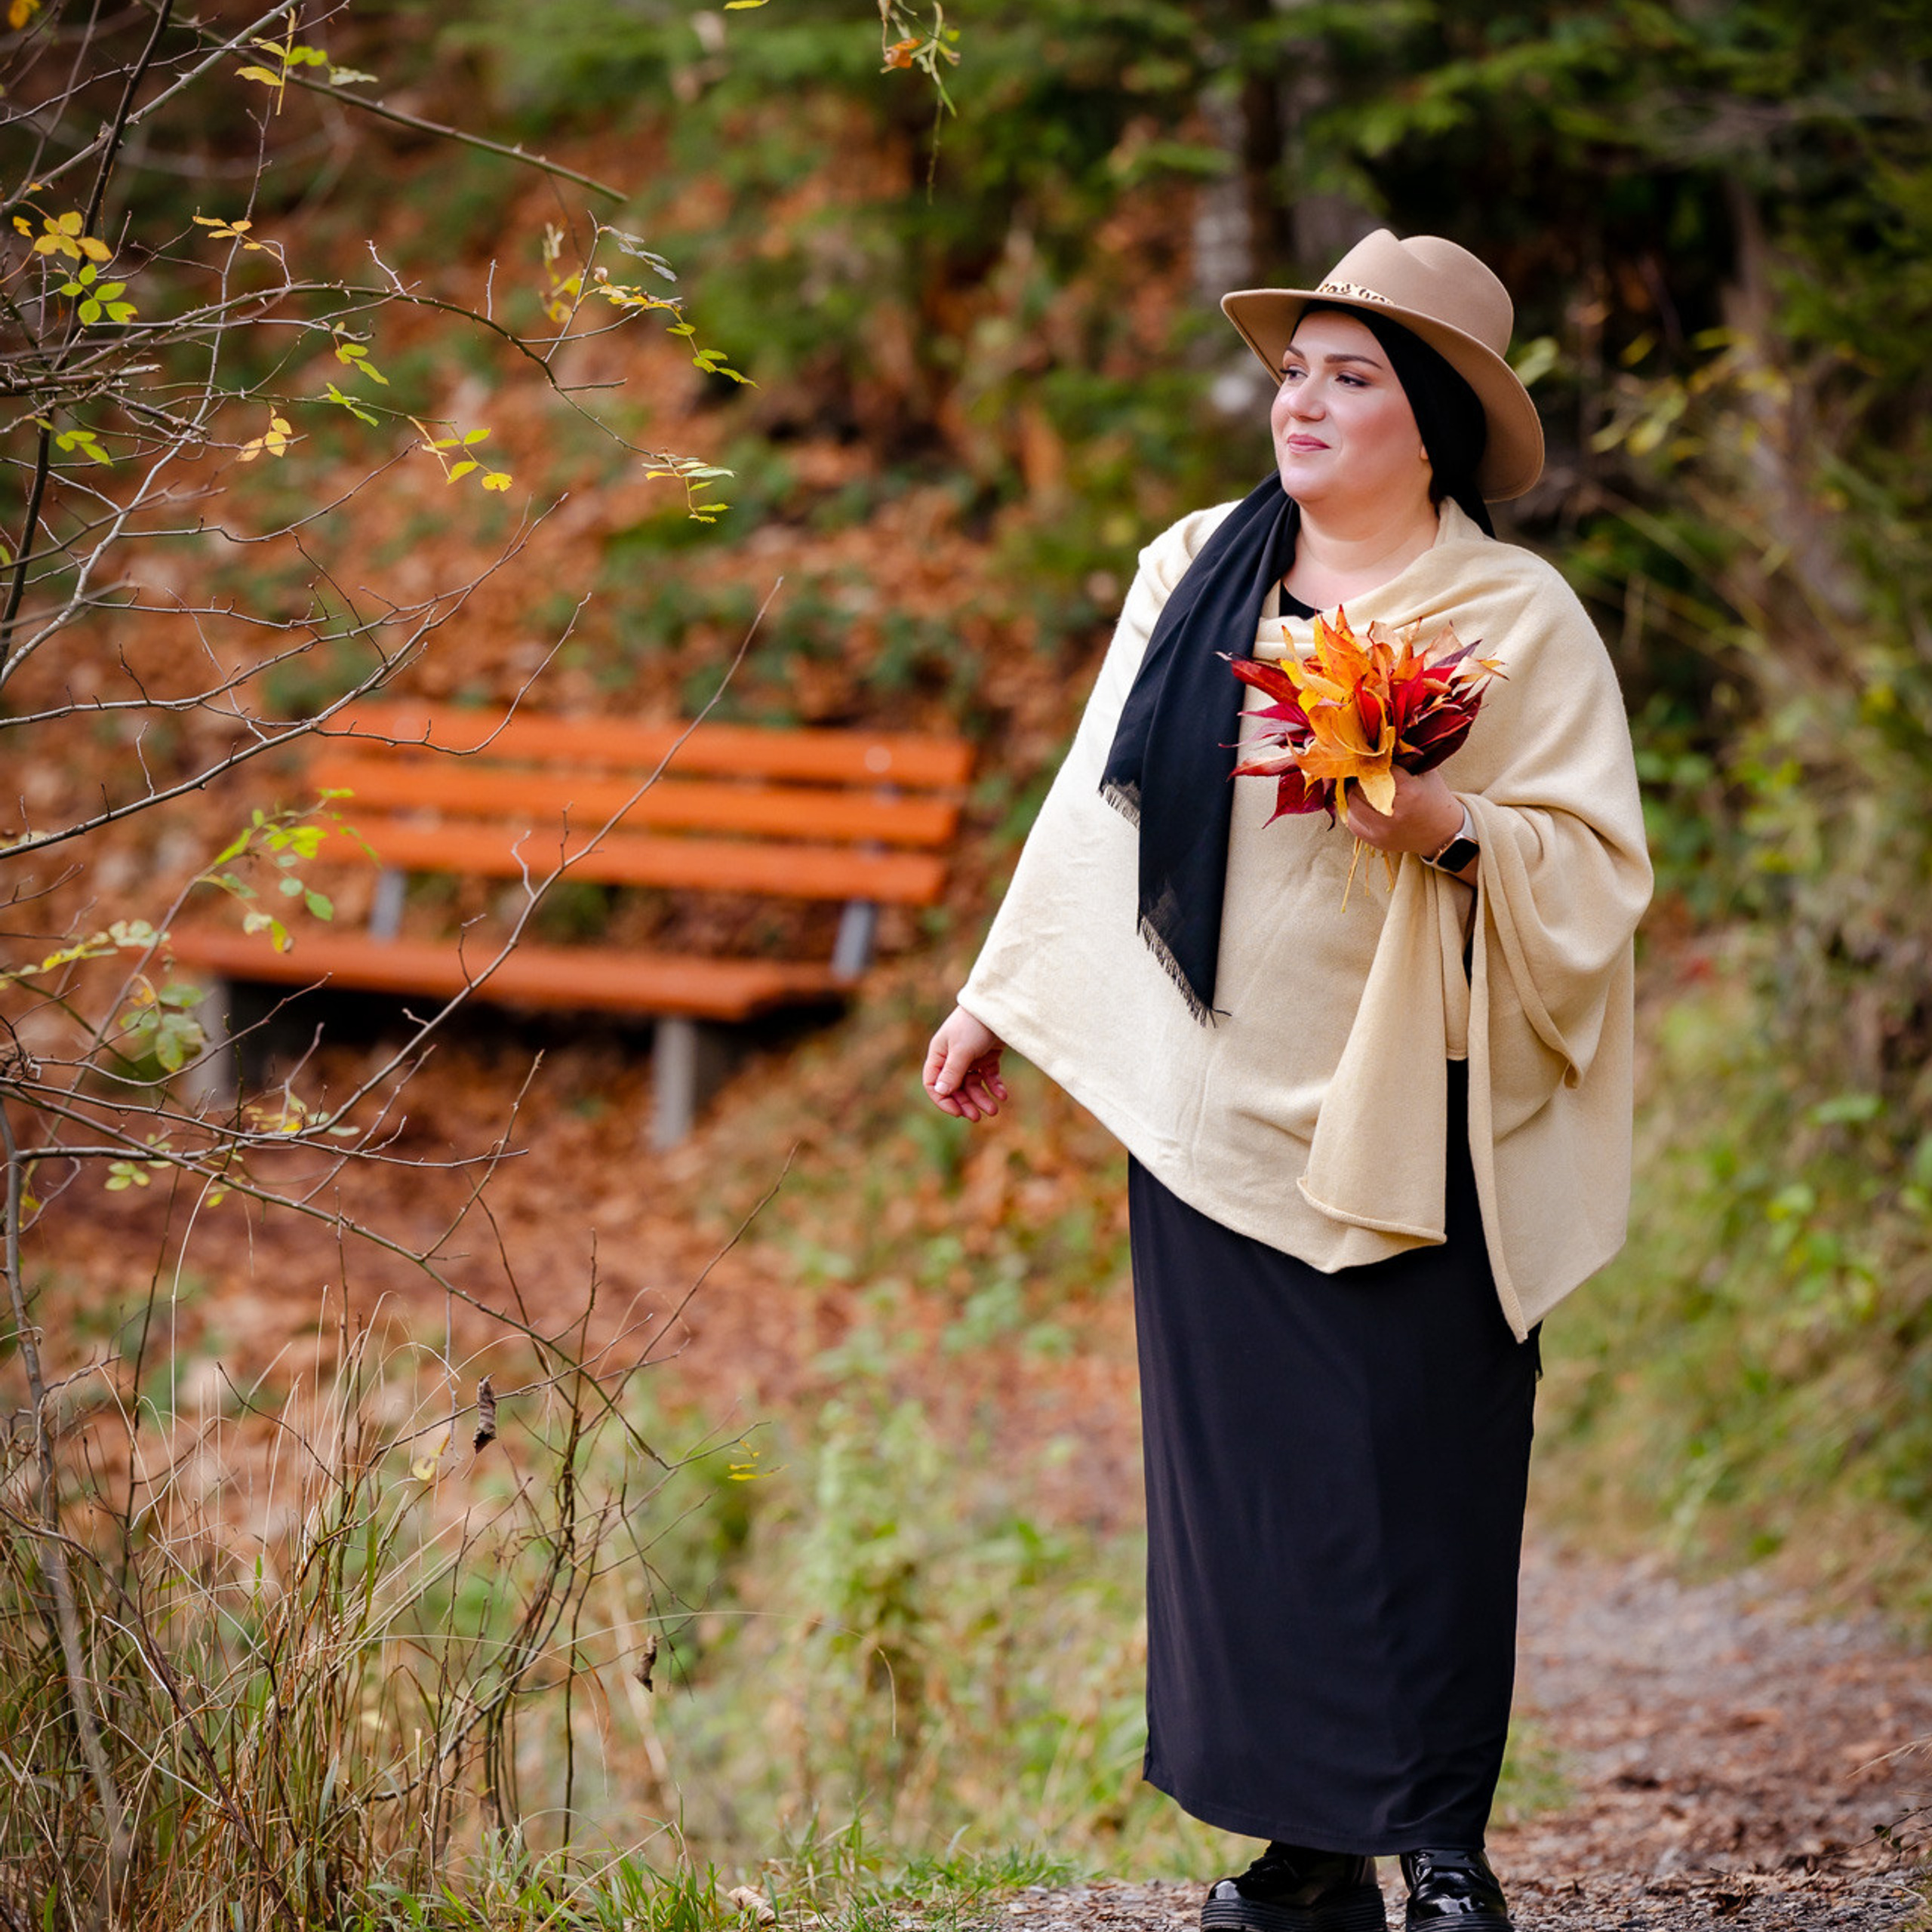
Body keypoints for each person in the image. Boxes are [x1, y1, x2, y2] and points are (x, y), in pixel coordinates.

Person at [921, 231, 1652, 1932]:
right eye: (1295, 370)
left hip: (1416, 1109)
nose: (1302, 403)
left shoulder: (1513, 619)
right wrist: (992, 999)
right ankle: (1307, 1860)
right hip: (1211, 1105)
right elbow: (1093, 804)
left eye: (1352, 377)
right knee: (1250, 1495)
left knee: (1425, 1474)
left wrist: (1443, 823)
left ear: (1434, 423)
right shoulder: (1195, 567)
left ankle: (1441, 1844)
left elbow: (1595, 865)